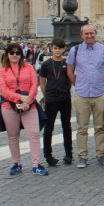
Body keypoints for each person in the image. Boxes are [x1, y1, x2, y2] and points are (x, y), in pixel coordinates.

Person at [67, 24, 104, 168]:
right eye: (86, 34)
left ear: (96, 33)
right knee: (82, 128)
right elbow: (70, 71)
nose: (89, 36)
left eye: (91, 33)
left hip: (99, 93)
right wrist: (79, 84)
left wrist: (100, 82)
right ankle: (82, 156)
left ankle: (101, 154)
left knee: (100, 127)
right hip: (82, 94)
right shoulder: (75, 51)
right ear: (82, 35)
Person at [0, 43, 47, 175]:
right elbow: (3, 90)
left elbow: (34, 84)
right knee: (13, 136)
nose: (14, 55)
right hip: (9, 106)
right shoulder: (2, 70)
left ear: (21, 55)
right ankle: (16, 162)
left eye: (17, 53)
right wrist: (20, 98)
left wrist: (28, 100)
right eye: (12, 52)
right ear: (7, 54)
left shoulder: (29, 67)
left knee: (34, 133)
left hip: (29, 105)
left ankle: (36, 164)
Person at [39, 37, 72, 166]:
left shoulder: (67, 63)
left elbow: (69, 81)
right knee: (49, 128)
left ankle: (69, 154)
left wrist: (65, 90)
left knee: (67, 126)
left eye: (60, 48)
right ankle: (48, 155)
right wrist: (46, 95)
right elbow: (42, 82)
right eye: (55, 48)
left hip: (64, 98)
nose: (57, 51)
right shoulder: (46, 64)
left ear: (64, 49)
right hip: (51, 99)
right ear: (52, 48)